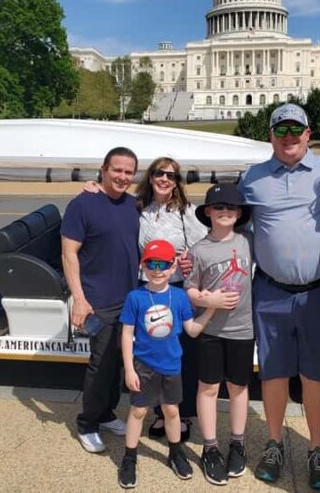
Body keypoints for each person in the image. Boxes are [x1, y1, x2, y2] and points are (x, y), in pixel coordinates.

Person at [239, 104, 320, 490]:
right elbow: (232, 223)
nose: (288, 136)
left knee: (315, 375)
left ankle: (316, 449)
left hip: (318, 292)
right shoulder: (252, 177)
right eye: (280, 129)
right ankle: (273, 442)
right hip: (270, 291)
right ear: (270, 135)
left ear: (308, 133)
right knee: (273, 373)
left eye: (295, 129)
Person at [85, 156, 210, 442]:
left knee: (180, 356)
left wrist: (189, 260)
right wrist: (92, 185)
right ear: (150, 177)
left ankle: (182, 415)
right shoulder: (137, 208)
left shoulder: (186, 212)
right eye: (159, 173)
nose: (164, 179)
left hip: (178, 291)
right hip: (146, 290)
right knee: (150, 354)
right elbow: (111, 199)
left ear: (177, 181)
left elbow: (203, 244)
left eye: (171, 175)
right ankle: (158, 412)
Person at [61, 146, 140, 454]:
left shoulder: (134, 205)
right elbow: (69, 254)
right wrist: (79, 299)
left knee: (121, 362)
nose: (122, 176)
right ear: (103, 169)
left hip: (130, 299)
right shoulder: (83, 204)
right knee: (101, 363)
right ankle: (87, 423)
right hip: (98, 300)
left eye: (128, 172)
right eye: (117, 170)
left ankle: (106, 413)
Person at [118, 239, 215, 489]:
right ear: (143, 266)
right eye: (151, 263)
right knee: (138, 411)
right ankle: (129, 458)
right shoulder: (135, 297)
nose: (158, 269)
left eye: (164, 264)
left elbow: (191, 330)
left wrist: (211, 309)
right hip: (143, 365)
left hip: (172, 365)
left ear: (173, 268)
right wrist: (129, 368)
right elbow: (127, 334)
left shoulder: (180, 297)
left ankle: (175, 452)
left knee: (172, 411)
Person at [185, 182, 254, 486]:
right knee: (209, 388)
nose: (225, 212)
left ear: (239, 213)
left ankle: (237, 442)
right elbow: (189, 288)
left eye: (231, 208)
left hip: (242, 328)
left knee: (238, 387)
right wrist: (206, 300)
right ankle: (210, 447)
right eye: (219, 208)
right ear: (208, 212)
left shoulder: (248, 241)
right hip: (211, 330)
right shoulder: (199, 250)